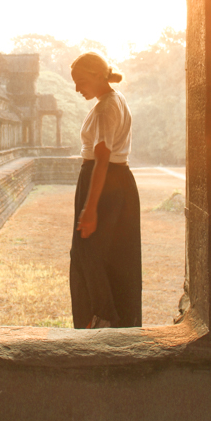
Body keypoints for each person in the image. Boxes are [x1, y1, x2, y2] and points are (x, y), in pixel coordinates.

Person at [69, 52, 142, 329]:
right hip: (119, 182)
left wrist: (89, 209)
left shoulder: (104, 109)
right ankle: (115, 316)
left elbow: (101, 160)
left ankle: (100, 317)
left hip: (102, 183)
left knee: (86, 253)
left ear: (98, 76)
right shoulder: (115, 99)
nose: (77, 88)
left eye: (80, 81)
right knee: (115, 254)